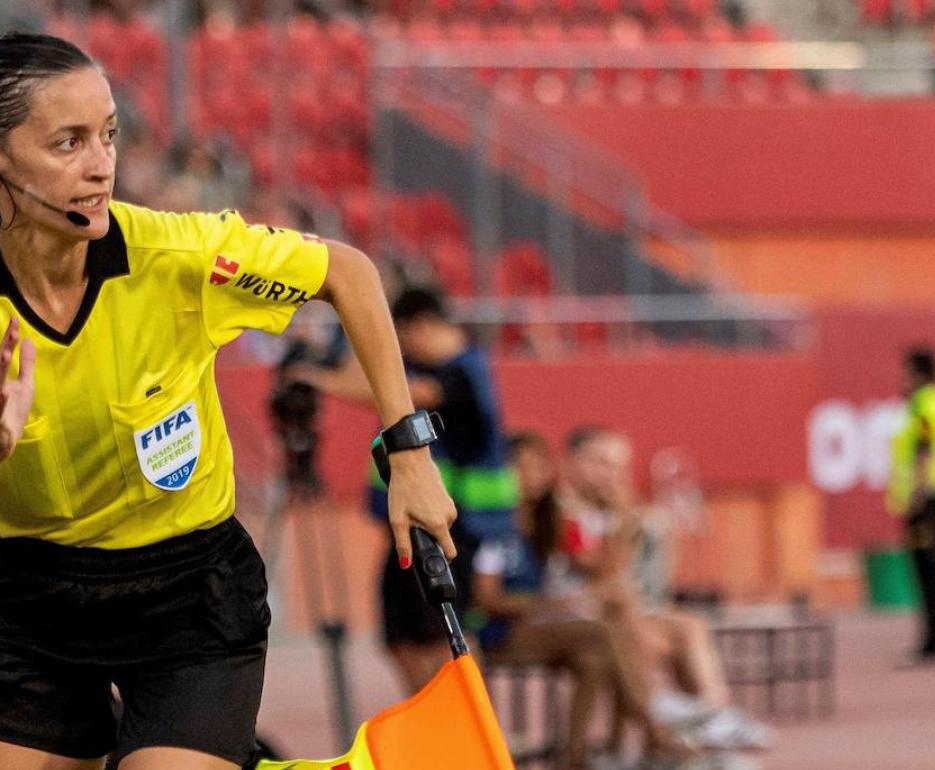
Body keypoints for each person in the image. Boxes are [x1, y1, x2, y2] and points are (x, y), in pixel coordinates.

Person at [0, 33, 457, 770]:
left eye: (110, 135)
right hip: (31, 595)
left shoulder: (179, 256)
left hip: (189, 590)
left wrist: (408, 451)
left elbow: (348, 273)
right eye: (68, 142)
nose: (100, 166)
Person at [296, 286, 517, 695]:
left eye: (403, 336)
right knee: (398, 638)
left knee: (446, 639)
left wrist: (318, 379)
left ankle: (467, 731)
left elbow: (407, 392)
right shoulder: (425, 368)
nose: (400, 349)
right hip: (410, 532)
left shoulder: (463, 369)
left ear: (423, 326)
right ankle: (433, 727)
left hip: (454, 531)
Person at [473, 432, 690, 769]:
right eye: (519, 467)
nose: (529, 475)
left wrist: (622, 520)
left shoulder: (549, 520)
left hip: (553, 624)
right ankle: (653, 724)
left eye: (537, 467)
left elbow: (602, 569)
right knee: (604, 628)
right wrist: (545, 605)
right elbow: (486, 598)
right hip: (504, 633)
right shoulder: (495, 526)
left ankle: (579, 755)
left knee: (597, 650)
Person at [557, 426, 771, 753]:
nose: (612, 476)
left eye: (618, 467)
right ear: (574, 461)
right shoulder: (563, 510)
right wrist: (626, 526)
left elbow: (651, 582)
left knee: (689, 627)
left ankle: (716, 716)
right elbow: (599, 572)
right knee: (637, 626)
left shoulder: (609, 511)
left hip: (614, 611)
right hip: (572, 613)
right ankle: (665, 730)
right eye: (602, 464)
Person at [887, 347, 935, 665]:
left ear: (918, 373)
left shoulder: (923, 405)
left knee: (929, 568)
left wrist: (916, 497)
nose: (901, 379)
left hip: (926, 502)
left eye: (906, 371)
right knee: (932, 568)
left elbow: (925, 451)